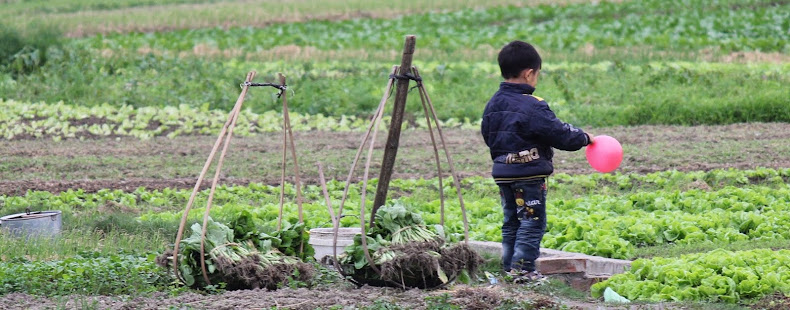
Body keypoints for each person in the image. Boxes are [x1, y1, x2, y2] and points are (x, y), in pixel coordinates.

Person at [481, 41, 594, 282]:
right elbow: (559, 133)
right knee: (531, 222)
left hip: (503, 174)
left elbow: (487, 135)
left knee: (511, 221)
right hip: (528, 177)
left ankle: (509, 268)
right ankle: (523, 272)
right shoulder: (533, 106)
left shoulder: (492, 104)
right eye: (537, 74)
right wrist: (584, 138)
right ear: (529, 73)